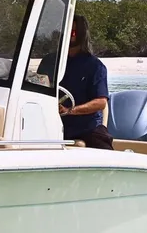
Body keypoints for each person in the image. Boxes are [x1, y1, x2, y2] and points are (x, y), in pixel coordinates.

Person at [37, 15, 114, 150]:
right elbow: (38, 87)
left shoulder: (95, 66)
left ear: (82, 34)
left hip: (87, 128)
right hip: (52, 123)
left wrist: (69, 111)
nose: (70, 35)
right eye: (67, 31)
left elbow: (101, 102)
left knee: (105, 150)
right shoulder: (49, 62)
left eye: (74, 32)